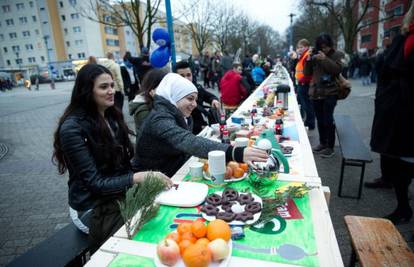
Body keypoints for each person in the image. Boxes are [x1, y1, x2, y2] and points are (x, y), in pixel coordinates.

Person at [52, 64, 172, 251]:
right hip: (90, 208)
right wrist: (138, 178)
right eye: (103, 87)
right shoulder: (72, 129)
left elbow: (123, 166)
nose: (111, 91)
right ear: (86, 90)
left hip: (116, 197)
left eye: (112, 85)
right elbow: (95, 184)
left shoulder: (111, 116)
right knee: (144, 234)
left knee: (163, 214)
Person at [133, 73, 268, 177]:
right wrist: (234, 152)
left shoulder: (180, 115)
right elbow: (187, 141)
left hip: (172, 172)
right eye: (190, 99)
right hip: (152, 183)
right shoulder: (159, 118)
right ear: (174, 96)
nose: (194, 104)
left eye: (195, 99)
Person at [370, 2, 414, 224]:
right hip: (397, 109)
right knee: (399, 161)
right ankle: (403, 206)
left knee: (405, 160)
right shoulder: (404, 38)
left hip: (406, 108)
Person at [304, 33, 344, 158]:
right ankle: (322, 143)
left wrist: (325, 59)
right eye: (322, 47)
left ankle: (330, 147)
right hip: (316, 93)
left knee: (328, 120)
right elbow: (306, 73)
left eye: (326, 47)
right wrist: (309, 60)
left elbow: (337, 70)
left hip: (330, 93)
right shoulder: (315, 55)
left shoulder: (337, 54)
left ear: (330, 45)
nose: (324, 49)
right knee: (320, 120)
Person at [175, 61, 221, 134]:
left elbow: (209, 96)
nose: (186, 78)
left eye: (188, 75)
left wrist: (213, 100)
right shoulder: (173, 94)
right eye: (182, 76)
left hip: (202, 128)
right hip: (186, 132)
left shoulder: (196, 87)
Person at [129, 68, 168, 140]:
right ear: (152, 88)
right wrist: (159, 102)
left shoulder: (163, 101)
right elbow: (161, 131)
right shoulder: (143, 110)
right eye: (163, 86)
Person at [295, 39, 315, 130]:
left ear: (306, 47)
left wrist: (301, 80)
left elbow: (308, 73)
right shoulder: (302, 56)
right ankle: (308, 121)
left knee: (307, 104)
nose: (299, 49)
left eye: (301, 47)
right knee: (304, 104)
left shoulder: (307, 56)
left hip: (304, 83)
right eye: (298, 47)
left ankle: (310, 123)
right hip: (301, 83)